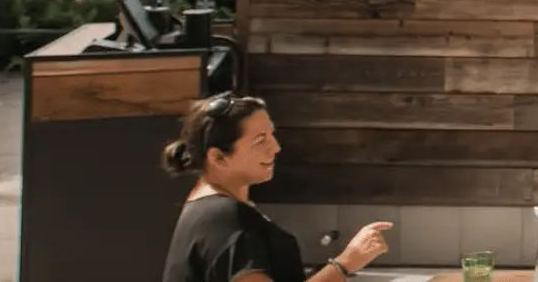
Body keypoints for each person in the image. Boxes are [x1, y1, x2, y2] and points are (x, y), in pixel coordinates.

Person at [160, 92, 395, 282]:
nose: (276, 148)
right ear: (219, 158)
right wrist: (346, 263)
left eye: (272, 135)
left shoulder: (212, 209)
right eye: (260, 141)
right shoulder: (225, 218)